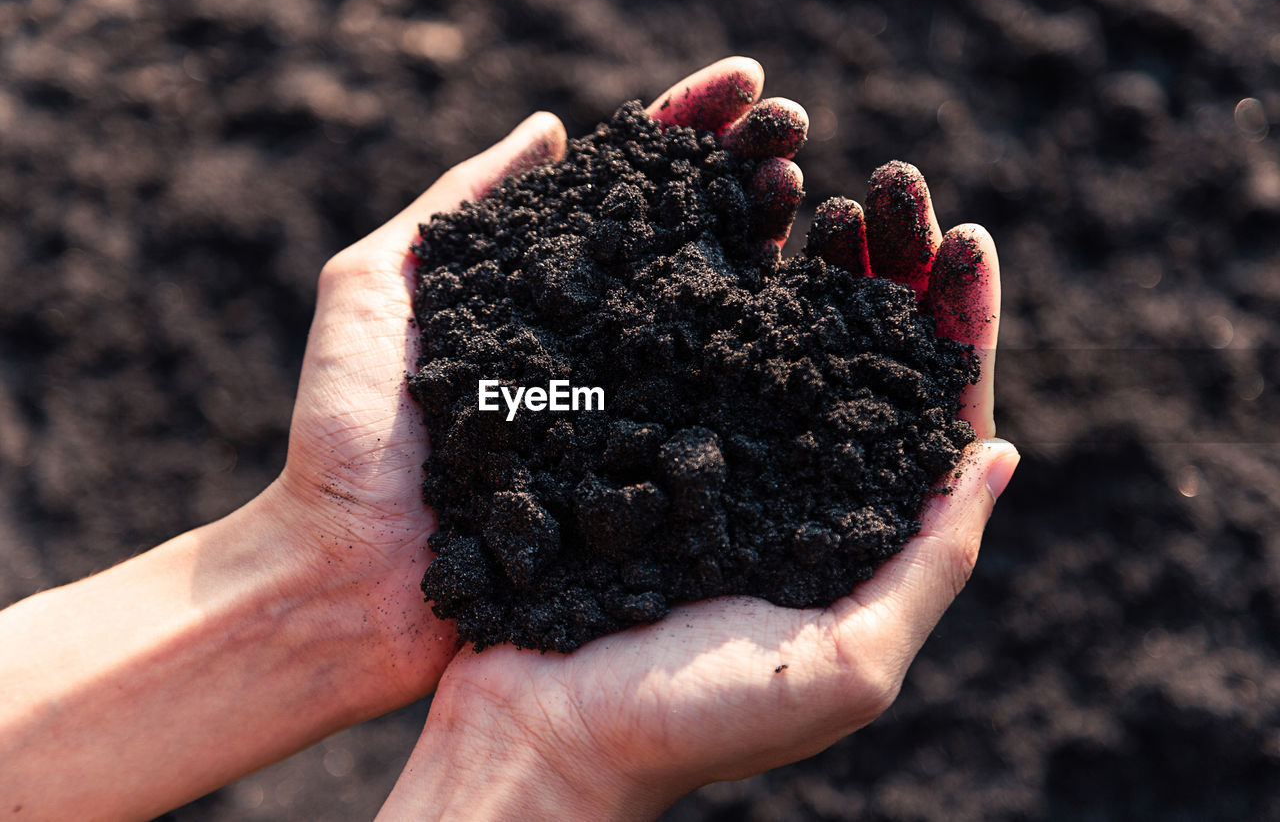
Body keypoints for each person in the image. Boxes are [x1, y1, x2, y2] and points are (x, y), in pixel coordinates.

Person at [0, 57, 1018, 820]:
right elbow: (531, 405)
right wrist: (557, 763)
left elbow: (536, 406)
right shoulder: (533, 408)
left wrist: (323, 574)